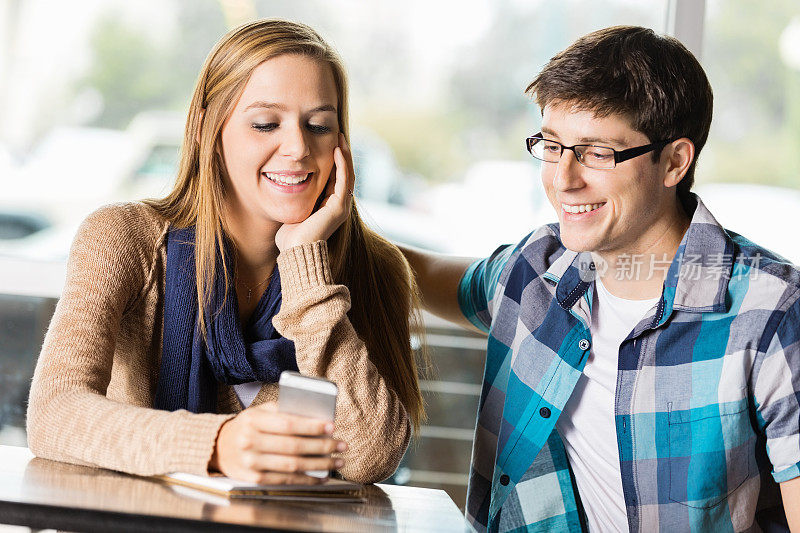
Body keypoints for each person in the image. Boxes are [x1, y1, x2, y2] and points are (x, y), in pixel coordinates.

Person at [401, 26, 800, 532]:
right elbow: (428, 275)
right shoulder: (539, 268)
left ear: (674, 161)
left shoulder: (772, 311)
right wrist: (324, 225)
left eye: (596, 152)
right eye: (552, 145)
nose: (563, 178)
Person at [26, 18, 425, 486]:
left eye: (319, 125)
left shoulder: (376, 269)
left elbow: (370, 455)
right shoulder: (125, 238)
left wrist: (306, 268)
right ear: (205, 128)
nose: (297, 147)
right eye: (265, 124)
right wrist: (215, 445)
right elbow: (54, 411)